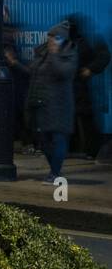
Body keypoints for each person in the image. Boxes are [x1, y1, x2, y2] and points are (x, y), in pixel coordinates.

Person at [12, 22, 79, 185]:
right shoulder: (41, 52)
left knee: (57, 138)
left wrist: (55, 54)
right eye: (49, 36)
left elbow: (64, 72)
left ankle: (55, 173)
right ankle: (55, 170)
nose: (51, 40)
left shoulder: (69, 53)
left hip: (58, 104)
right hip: (40, 103)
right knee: (43, 139)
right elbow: (32, 72)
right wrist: (15, 64)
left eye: (55, 37)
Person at [66, 14, 109, 159]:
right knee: (78, 118)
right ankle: (80, 149)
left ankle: (88, 149)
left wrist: (90, 69)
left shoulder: (86, 40)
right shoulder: (80, 40)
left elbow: (103, 57)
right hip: (74, 86)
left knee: (84, 118)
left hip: (82, 86)